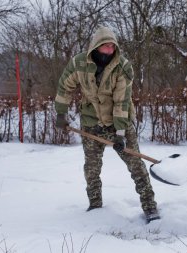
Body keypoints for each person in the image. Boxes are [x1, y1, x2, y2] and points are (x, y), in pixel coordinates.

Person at [54, 25, 160, 223]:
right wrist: (60, 113)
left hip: (118, 123)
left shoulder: (123, 66)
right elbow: (64, 85)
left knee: (136, 166)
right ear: (96, 46)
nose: (110, 50)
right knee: (92, 168)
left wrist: (120, 133)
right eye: (106, 46)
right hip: (91, 122)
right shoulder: (79, 63)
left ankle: (150, 207)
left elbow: (122, 100)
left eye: (113, 46)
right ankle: (95, 206)